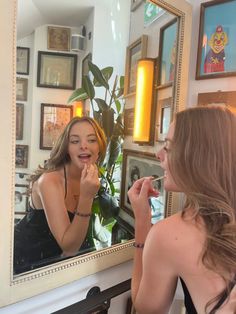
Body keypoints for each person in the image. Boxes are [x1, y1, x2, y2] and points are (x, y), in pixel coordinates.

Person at [128, 106, 236, 313]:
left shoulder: (169, 235)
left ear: (198, 156)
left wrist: (142, 222)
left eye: (168, 147)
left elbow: (146, 309)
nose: (159, 155)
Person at [14, 116, 107, 274]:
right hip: (26, 263)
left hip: (60, 264)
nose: (84, 146)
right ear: (66, 148)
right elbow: (69, 248)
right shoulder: (49, 181)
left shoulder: (90, 178)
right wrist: (86, 197)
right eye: (75, 141)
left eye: (91, 140)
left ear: (100, 147)